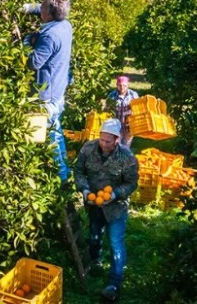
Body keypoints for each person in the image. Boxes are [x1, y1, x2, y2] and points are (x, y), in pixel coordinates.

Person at [74, 118, 139, 302]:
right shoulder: (88, 149)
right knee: (94, 237)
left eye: (108, 141)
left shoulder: (127, 157)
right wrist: (84, 189)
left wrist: (116, 194)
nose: (103, 144)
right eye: (101, 139)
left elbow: (132, 183)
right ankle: (95, 261)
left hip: (116, 208)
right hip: (94, 205)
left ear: (117, 139)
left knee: (116, 242)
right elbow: (78, 171)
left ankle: (114, 284)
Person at [22, 0, 73, 183]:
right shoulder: (65, 25)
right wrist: (28, 8)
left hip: (47, 95)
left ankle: (60, 181)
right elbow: (47, 8)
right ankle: (65, 173)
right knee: (57, 134)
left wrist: (27, 40)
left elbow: (33, 63)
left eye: (42, 6)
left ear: (49, 13)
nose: (40, 8)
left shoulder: (49, 35)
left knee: (49, 138)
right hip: (58, 91)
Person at [106, 75, 139, 148]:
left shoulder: (133, 95)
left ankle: (125, 158)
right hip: (116, 127)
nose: (122, 87)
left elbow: (138, 109)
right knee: (116, 146)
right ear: (117, 85)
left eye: (124, 85)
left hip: (129, 127)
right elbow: (107, 110)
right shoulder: (112, 95)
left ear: (128, 85)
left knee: (126, 147)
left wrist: (132, 115)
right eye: (120, 85)